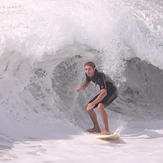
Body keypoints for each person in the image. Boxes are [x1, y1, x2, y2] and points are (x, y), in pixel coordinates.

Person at [75, 61, 118, 135]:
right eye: (86, 69)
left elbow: (104, 93)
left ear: (94, 69)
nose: (87, 71)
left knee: (100, 106)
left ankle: (106, 130)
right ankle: (96, 127)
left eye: (89, 69)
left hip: (112, 91)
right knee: (88, 107)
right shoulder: (88, 74)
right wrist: (81, 87)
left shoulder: (100, 76)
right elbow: (87, 82)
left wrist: (93, 103)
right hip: (105, 91)